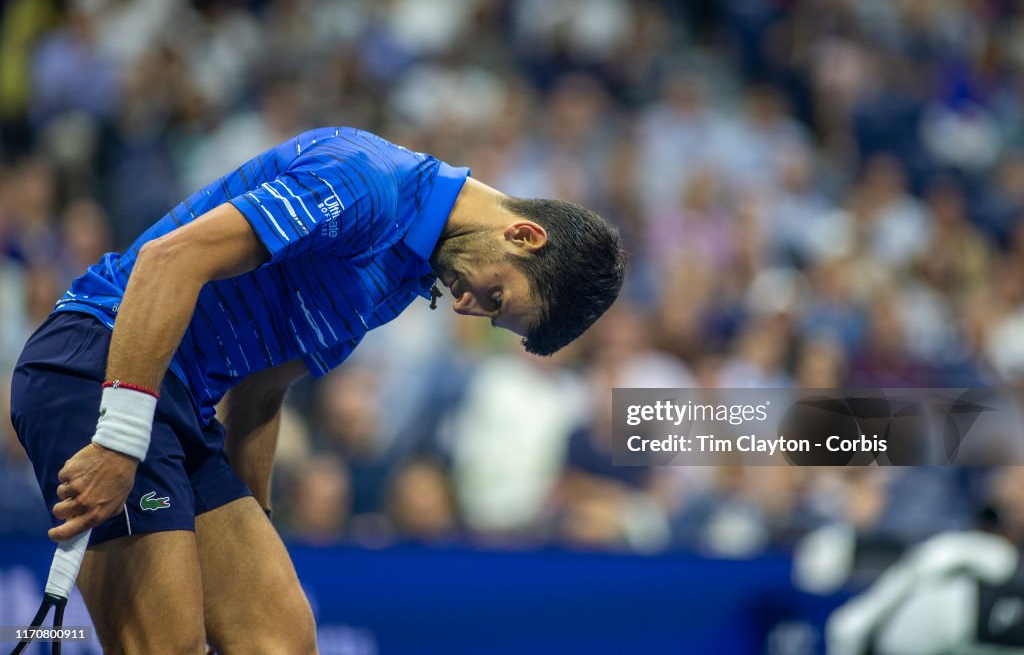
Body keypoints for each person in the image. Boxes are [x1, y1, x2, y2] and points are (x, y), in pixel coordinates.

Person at [9, 126, 625, 653]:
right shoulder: (368, 181)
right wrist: (118, 437)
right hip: (102, 361)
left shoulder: (406, 277)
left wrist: (250, 523)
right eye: (494, 297)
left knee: (277, 638)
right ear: (523, 236)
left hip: (182, 408)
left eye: (489, 314)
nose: (466, 307)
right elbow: (169, 261)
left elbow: (261, 391)